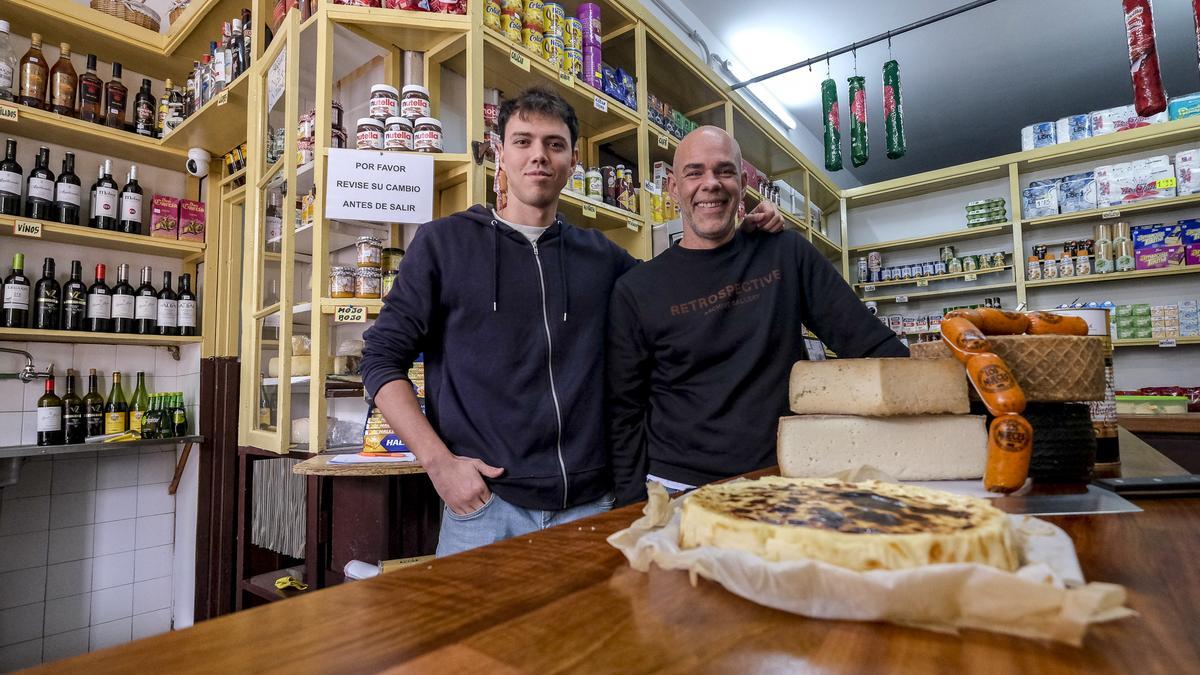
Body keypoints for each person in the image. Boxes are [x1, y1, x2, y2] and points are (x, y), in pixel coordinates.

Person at [361, 88, 783, 556]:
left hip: (592, 508)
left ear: (572, 160)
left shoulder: (602, 257)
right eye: (523, 142)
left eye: (554, 144)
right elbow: (381, 360)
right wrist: (438, 463)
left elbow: (679, 285)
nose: (538, 156)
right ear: (499, 152)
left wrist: (735, 236)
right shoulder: (444, 245)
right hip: (485, 509)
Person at [606, 125, 908, 506]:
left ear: (744, 182)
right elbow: (624, 413)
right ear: (672, 188)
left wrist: (951, 400)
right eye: (694, 172)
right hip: (676, 489)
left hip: (779, 479)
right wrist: (633, 506)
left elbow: (871, 344)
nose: (710, 183)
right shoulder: (637, 290)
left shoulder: (784, 254)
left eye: (724, 171)